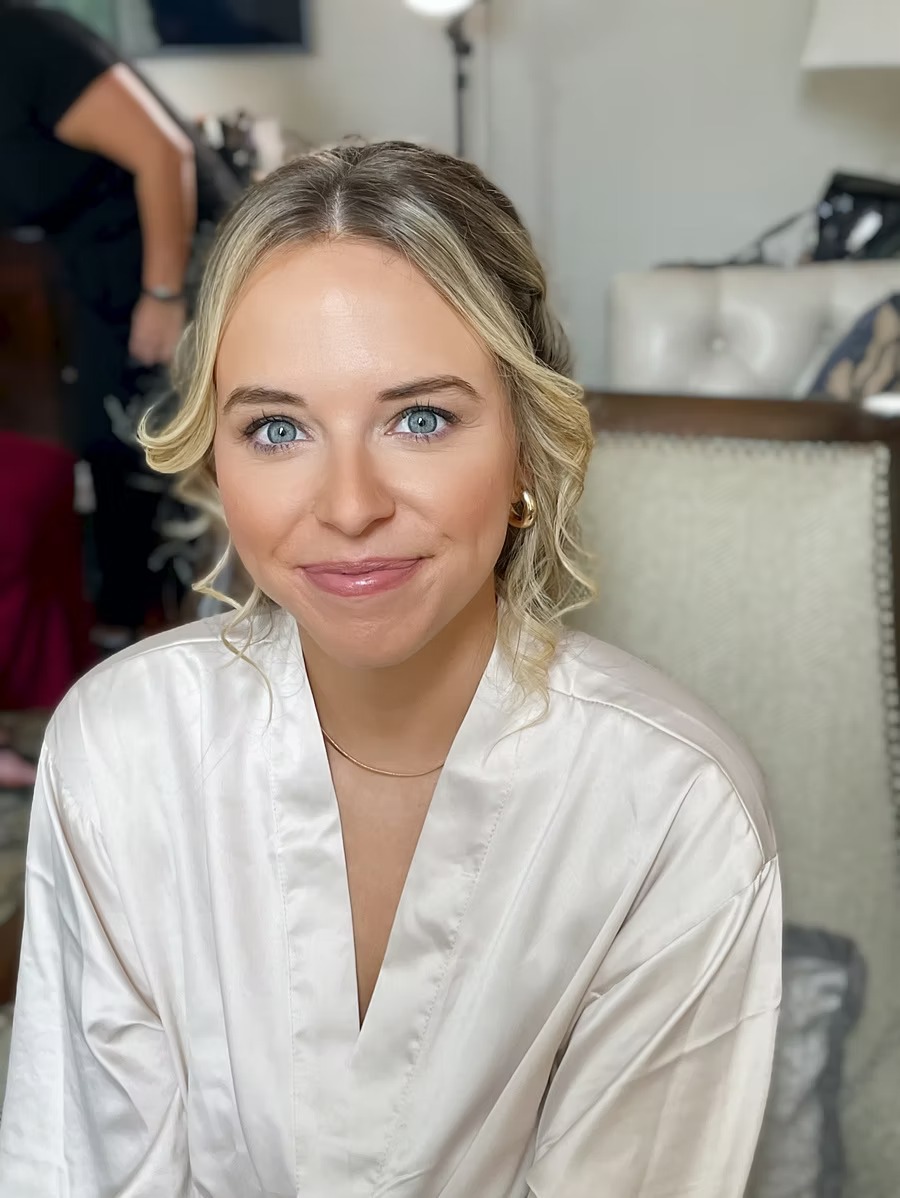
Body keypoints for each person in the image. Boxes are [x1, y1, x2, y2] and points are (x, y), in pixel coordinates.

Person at [0, 142, 782, 1197]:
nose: (351, 505)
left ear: (526, 444)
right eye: (278, 428)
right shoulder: (123, 751)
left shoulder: (675, 807)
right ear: (216, 459)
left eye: (420, 419)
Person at [0, 2, 240, 645]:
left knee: (151, 449)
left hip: (176, 259)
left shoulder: (23, 40)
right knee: (109, 445)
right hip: (96, 270)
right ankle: (133, 630)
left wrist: (163, 294)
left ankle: (185, 630)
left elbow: (163, 154)